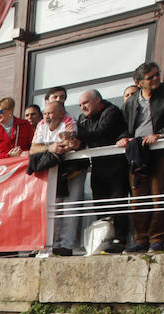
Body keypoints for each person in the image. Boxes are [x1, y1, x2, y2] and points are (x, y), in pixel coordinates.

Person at [118, 61, 164, 252]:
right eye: (150, 77)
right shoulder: (132, 100)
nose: (156, 79)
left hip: (162, 148)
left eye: (157, 74)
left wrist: (162, 134)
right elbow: (124, 126)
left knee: (160, 194)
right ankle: (140, 239)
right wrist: (123, 138)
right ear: (139, 82)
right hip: (138, 150)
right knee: (138, 196)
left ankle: (157, 238)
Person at [76, 90, 129, 251]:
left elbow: (101, 133)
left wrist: (77, 134)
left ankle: (120, 239)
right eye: (80, 105)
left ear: (98, 100)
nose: (82, 108)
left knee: (117, 203)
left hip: (116, 166)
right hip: (97, 167)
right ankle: (103, 238)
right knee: (99, 204)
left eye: (85, 103)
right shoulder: (82, 119)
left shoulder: (111, 111)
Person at [30, 99, 85, 255]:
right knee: (52, 207)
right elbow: (33, 148)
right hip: (52, 171)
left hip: (72, 171)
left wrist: (62, 143)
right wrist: (50, 147)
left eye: (51, 113)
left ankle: (66, 244)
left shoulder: (69, 121)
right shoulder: (41, 124)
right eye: (45, 113)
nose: (47, 116)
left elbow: (69, 143)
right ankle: (51, 243)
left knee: (69, 208)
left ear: (61, 113)